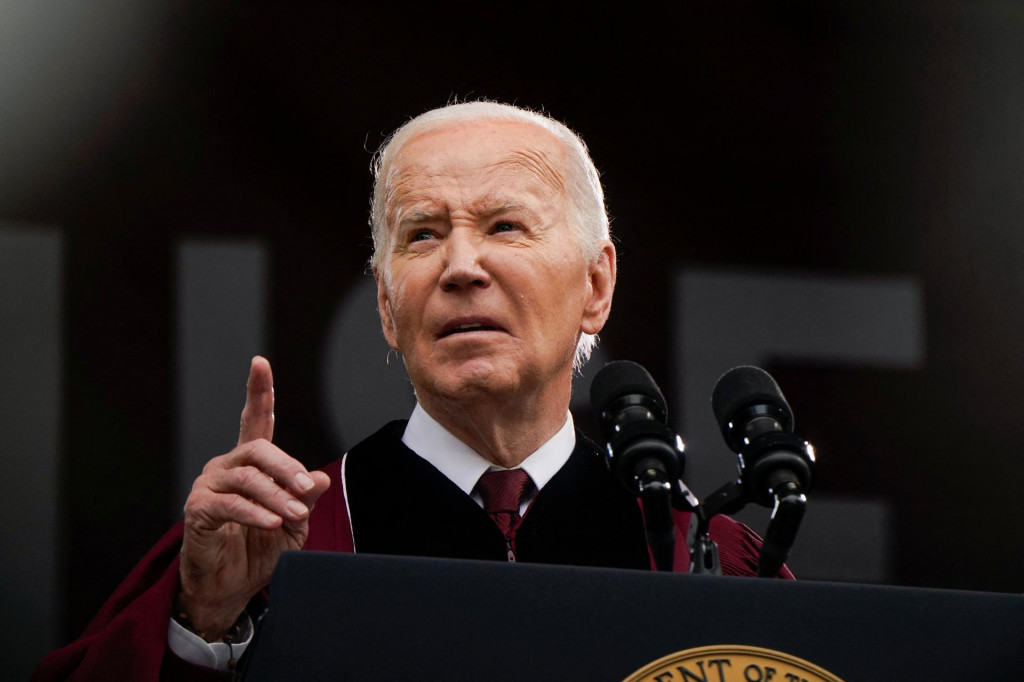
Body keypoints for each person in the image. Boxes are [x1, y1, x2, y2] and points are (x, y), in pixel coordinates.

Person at [33, 101, 791, 681]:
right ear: (388, 307)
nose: (461, 265)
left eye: (503, 226)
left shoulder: (708, 557)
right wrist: (203, 625)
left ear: (596, 285)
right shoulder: (283, 536)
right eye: (422, 235)